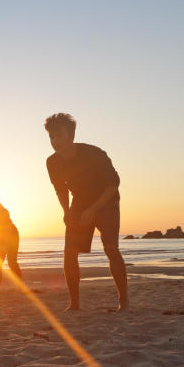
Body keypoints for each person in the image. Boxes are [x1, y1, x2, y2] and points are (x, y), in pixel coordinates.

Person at [44, 113, 127, 312]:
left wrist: (93, 210)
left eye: (59, 136)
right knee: (69, 253)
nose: (55, 141)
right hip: (79, 203)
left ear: (71, 135)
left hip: (106, 201)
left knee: (111, 249)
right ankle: (74, 304)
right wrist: (66, 212)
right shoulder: (52, 162)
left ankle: (124, 302)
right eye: (51, 137)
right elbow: (61, 189)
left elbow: (113, 185)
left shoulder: (94, 153)